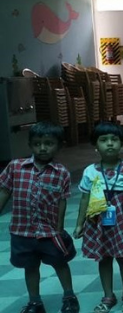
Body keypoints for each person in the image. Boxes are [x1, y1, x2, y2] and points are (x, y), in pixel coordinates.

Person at [0, 122, 79, 313]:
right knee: (30, 266)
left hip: (49, 232)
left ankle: (69, 297)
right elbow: (4, 191)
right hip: (22, 231)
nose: (42, 148)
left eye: (48, 143)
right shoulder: (15, 167)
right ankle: (35, 302)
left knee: (60, 263)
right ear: (30, 145)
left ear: (59, 145)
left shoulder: (61, 173)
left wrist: (59, 228)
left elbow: (62, 201)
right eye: (37, 144)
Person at [74, 122, 123, 313]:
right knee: (104, 258)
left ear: (121, 144)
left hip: (122, 220)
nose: (109, 143)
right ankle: (108, 296)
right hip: (97, 222)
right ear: (95, 145)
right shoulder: (90, 171)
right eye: (103, 140)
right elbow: (84, 199)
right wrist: (80, 224)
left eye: (114, 139)